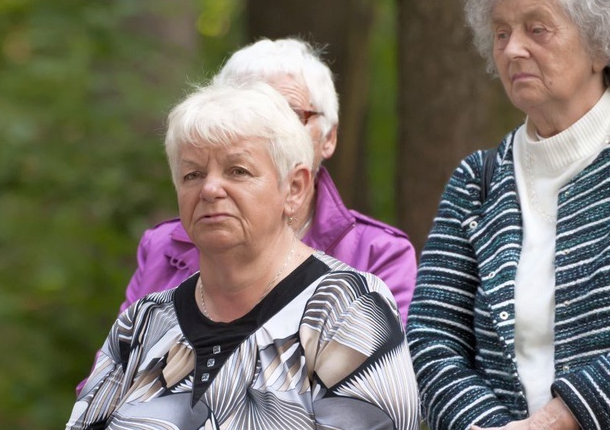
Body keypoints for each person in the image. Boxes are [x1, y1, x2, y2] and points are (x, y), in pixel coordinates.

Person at [56, 81, 421, 430]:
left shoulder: (347, 310)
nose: (211, 189)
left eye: (237, 171)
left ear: (294, 188)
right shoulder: (143, 323)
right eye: (192, 175)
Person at [406, 0, 610, 430]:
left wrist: (562, 421)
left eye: (537, 28)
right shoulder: (477, 180)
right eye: (500, 33)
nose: (512, 49)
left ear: (601, 43)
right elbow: (432, 339)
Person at [118, 38, 416, 325]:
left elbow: (381, 370)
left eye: (288, 113)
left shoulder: (378, 253)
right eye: (245, 114)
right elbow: (114, 371)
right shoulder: (161, 246)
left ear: (329, 137)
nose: (268, 130)